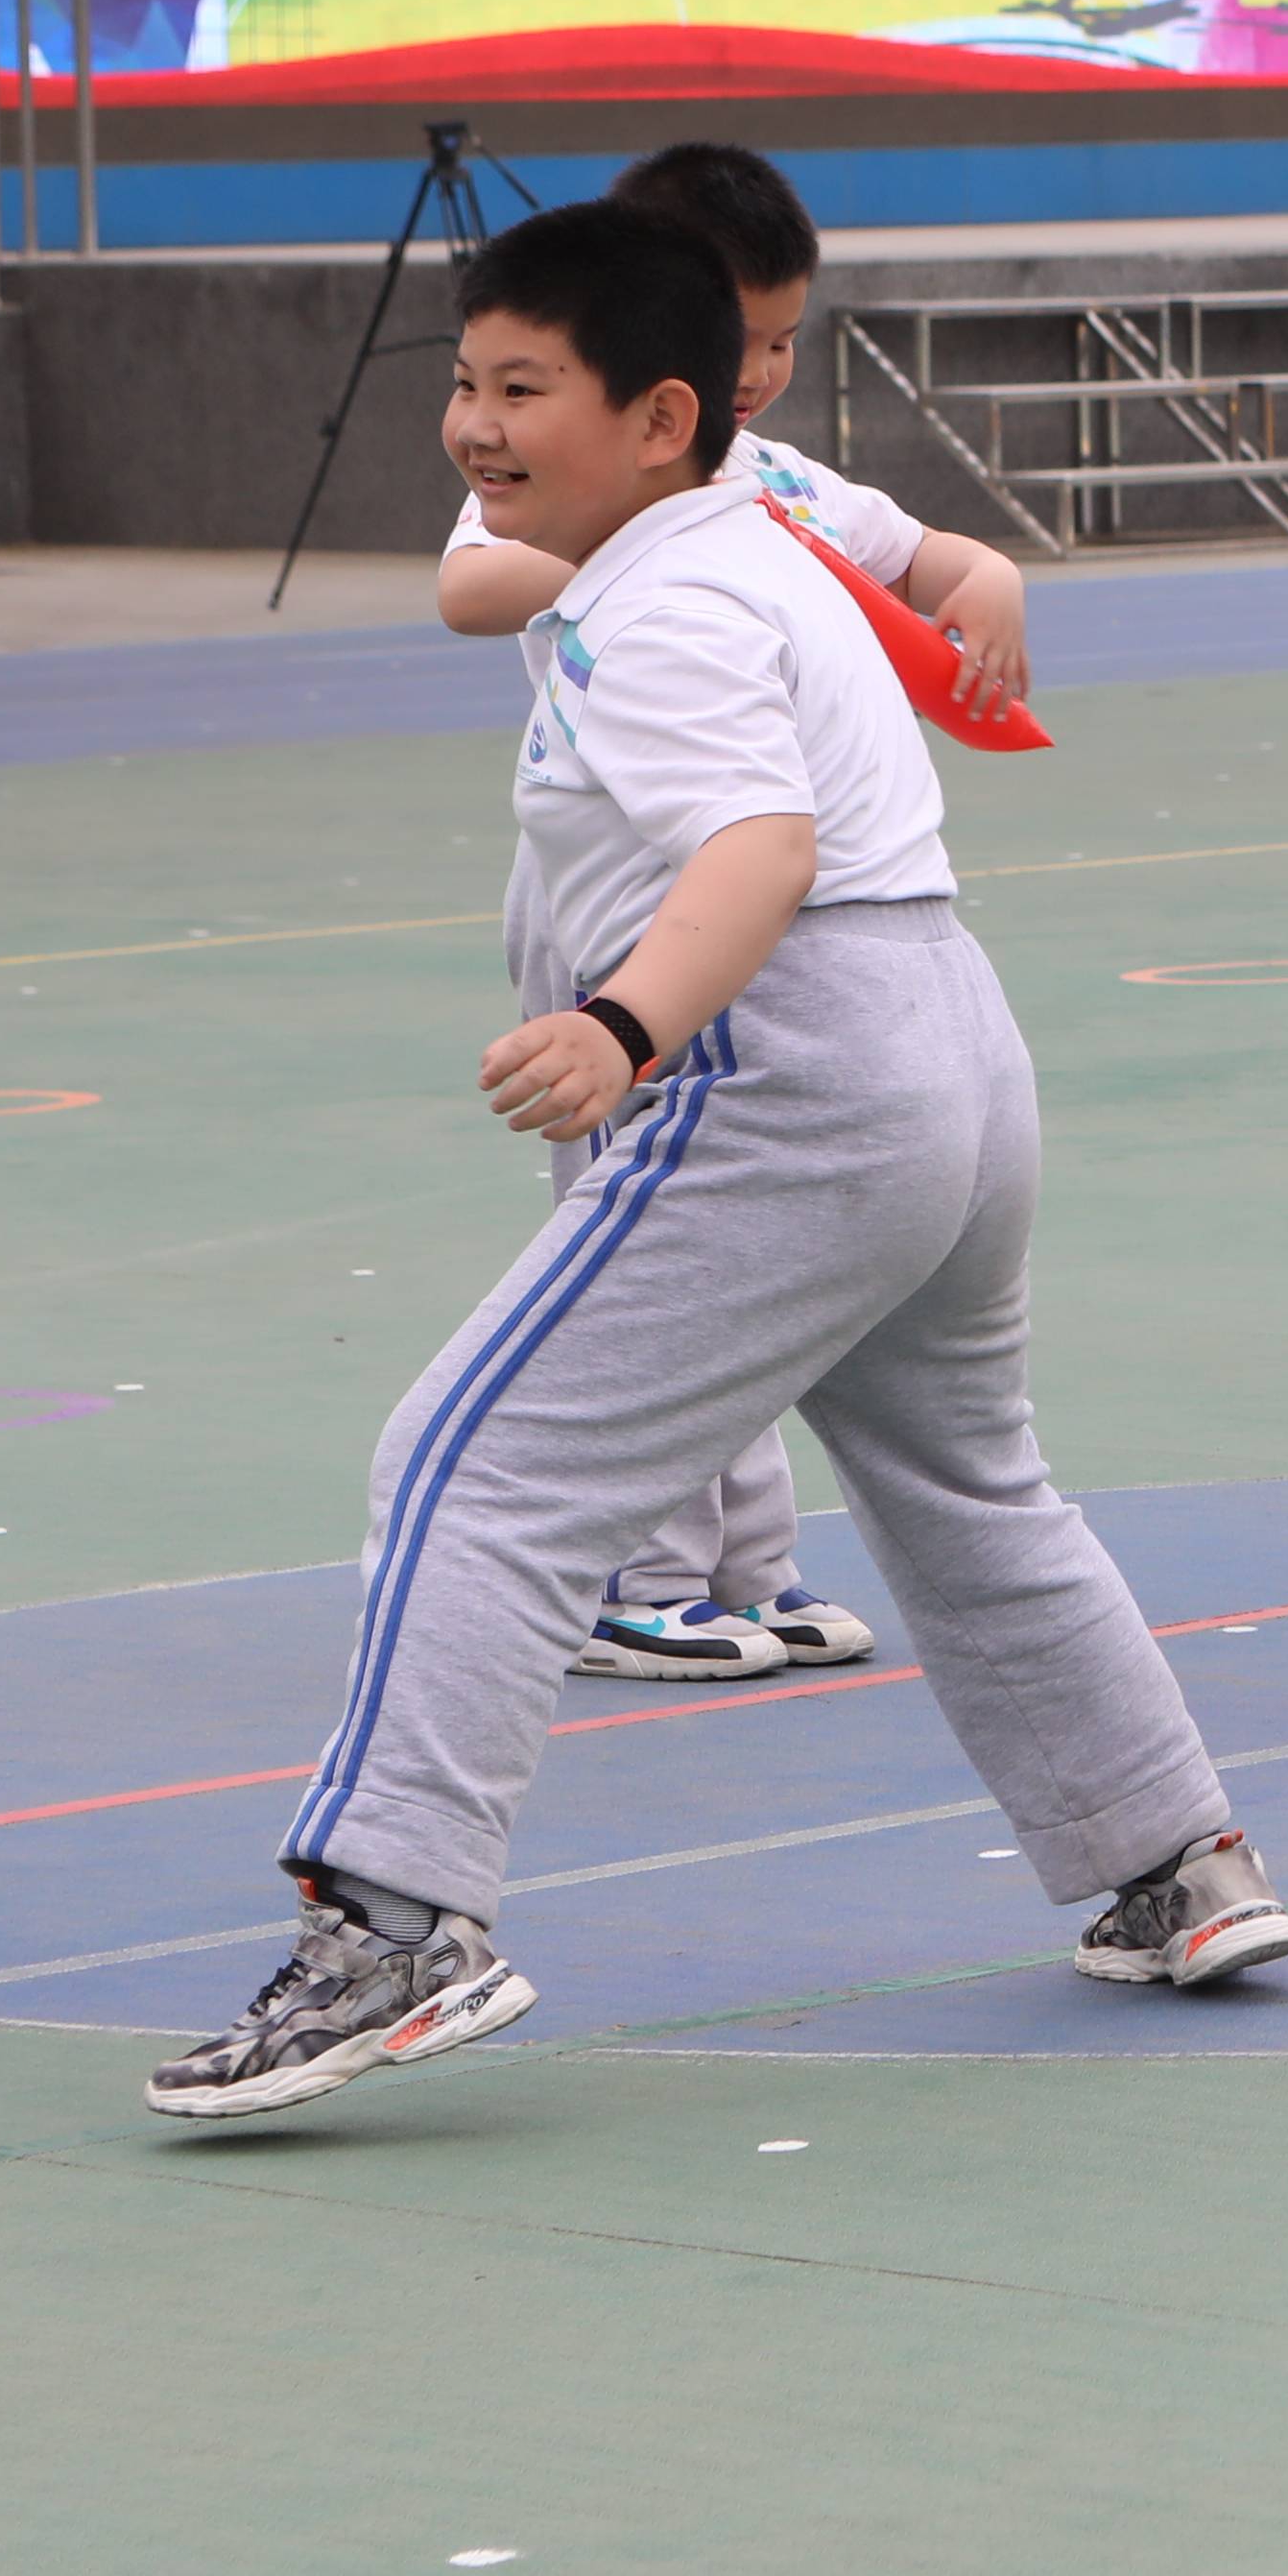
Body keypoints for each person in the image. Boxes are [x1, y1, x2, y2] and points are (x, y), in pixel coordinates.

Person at [152, 205, 1288, 2122]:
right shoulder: (745, 547)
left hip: (794, 1071)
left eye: (524, 389)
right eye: (463, 382)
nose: (475, 426)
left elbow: (755, 848)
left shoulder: (659, 600)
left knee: (476, 1462)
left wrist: (621, 1026)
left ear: (662, 411)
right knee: (969, 1483)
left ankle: (396, 1919)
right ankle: (1175, 1858)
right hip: (952, 1043)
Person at [435, 138, 1025, 1687]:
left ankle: (744, 1568)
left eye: (781, 339)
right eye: (738, 331)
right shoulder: (575, 480)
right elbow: (472, 585)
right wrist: (611, 550)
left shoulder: (768, 479)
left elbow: (928, 554)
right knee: (640, 1246)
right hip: (616, 907)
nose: (761, 369)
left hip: (764, 927)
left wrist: (985, 583)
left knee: (743, 1250)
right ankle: (640, 1566)